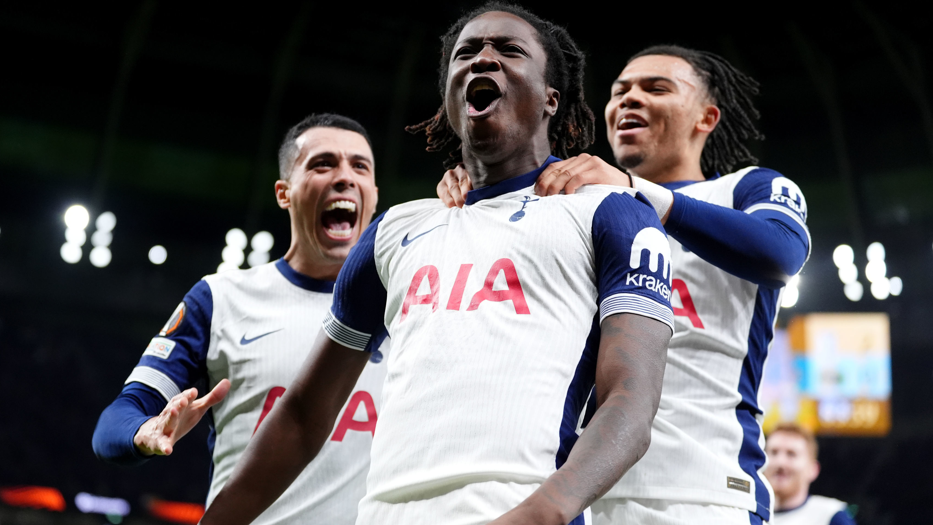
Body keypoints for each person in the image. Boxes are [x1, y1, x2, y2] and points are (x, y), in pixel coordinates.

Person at [199, 4, 674, 525]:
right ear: (449, 100)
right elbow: (304, 416)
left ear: (550, 100)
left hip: (518, 507)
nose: (482, 60)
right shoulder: (396, 229)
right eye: (466, 53)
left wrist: (542, 513)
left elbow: (631, 402)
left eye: (508, 50)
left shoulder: (611, 213)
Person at [438, 45, 810, 524]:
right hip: (580, 495)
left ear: (706, 117)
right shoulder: (577, 203)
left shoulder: (745, 189)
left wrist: (638, 192)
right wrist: (477, 195)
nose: (629, 99)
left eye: (656, 88)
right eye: (619, 92)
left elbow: (781, 252)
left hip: (705, 495)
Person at [91, 113, 385, 525]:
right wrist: (143, 433)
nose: (344, 177)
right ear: (284, 192)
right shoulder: (221, 297)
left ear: (373, 193)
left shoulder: (406, 304)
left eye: (359, 166)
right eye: (323, 164)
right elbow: (115, 422)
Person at [765, 423, 857, 525]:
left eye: (791, 454)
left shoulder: (830, 516)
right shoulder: (748, 513)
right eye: (773, 452)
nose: (780, 462)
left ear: (813, 469)